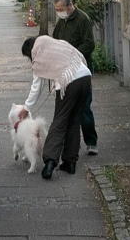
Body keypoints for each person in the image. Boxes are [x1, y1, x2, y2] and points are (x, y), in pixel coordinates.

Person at [18, 34, 92, 180]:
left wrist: (26, 108)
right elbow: (79, 55)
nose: (30, 59)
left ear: (30, 51)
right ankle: (70, 163)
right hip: (85, 77)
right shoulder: (56, 43)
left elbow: (36, 87)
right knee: (74, 121)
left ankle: (50, 162)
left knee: (60, 121)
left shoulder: (39, 56)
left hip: (69, 81)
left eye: (28, 57)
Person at [51, 0, 98, 155]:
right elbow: (55, 39)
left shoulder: (82, 19)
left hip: (81, 68)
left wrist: (73, 54)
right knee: (65, 107)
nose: (59, 12)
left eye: (61, 9)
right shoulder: (62, 21)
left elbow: (89, 44)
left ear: (70, 5)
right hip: (65, 68)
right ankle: (67, 143)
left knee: (84, 105)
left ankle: (91, 141)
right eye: (57, 10)